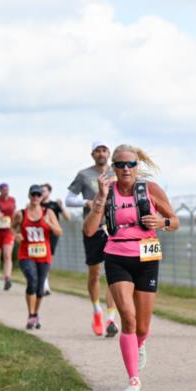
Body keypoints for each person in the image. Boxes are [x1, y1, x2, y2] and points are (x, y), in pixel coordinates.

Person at [83, 144, 178, 391]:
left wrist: (162, 222)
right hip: (117, 257)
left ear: (137, 166)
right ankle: (133, 380)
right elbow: (90, 230)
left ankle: (141, 343)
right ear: (113, 167)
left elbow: (174, 221)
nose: (126, 169)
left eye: (131, 164)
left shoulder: (150, 190)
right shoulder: (106, 192)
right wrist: (101, 199)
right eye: (120, 164)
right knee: (128, 317)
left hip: (147, 257)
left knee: (143, 326)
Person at [66, 141, 118, 336]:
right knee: (95, 273)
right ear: (92, 154)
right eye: (98, 150)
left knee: (114, 272)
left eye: (104, 150)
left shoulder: (116, 173)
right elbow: (69, 199)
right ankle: (97, 310)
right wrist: (87, 201)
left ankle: (110, 317)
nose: (101, 153)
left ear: (109, 153)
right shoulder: (84, 175)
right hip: (93, 227)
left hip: (113, 227)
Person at [13, 185, 62, 329]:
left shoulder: (48, 213)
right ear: (29, 196)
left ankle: (35, 314)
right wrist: (16, 235)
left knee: (40, 288)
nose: (35, 197)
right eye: (33, 195)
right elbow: (12, 226)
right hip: (26, 254)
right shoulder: (21, 213)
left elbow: (59, 232)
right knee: (32, 280)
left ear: (42, 197)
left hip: (44, 255)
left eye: (38, 195)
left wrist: (49, 224)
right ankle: (31, 315)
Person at [40, 183, 69, 296]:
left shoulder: (54, 205)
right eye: (40, 191)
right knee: (40, 258)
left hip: (52, 234)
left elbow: (67, 217)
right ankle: (42, 283)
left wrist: (61, 206)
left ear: (49, 192)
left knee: (48, 259)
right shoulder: (37, 204)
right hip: (39, 235)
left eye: (44, 191)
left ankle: (44, 282)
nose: (42, 193)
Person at [0, 182, 17, 291]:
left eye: (7, 189)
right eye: (3, 189)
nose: (5, 191)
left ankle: (7, 278)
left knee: (7, 255)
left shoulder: (12, 200)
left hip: (8, 230)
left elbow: (14, 213)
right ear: (0, 190)